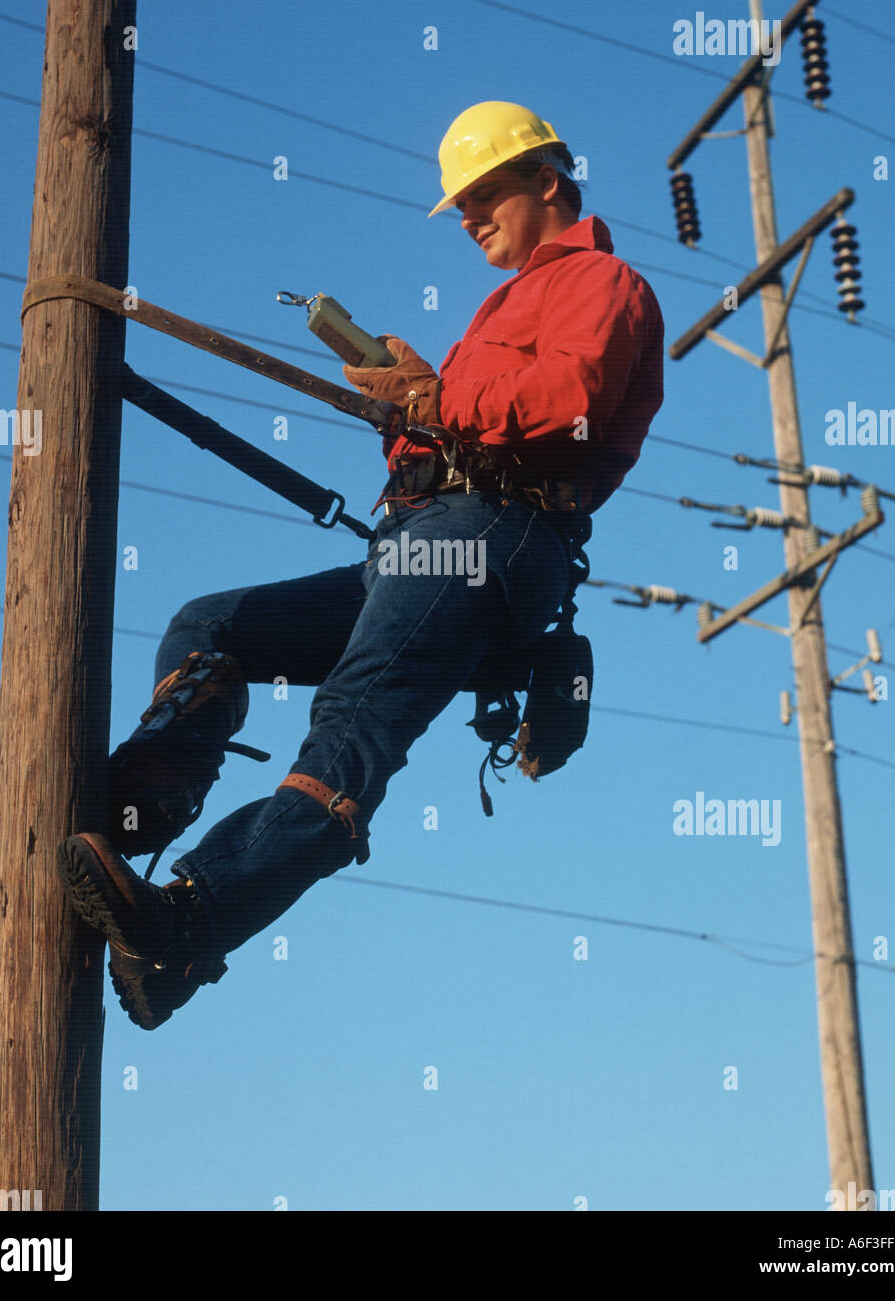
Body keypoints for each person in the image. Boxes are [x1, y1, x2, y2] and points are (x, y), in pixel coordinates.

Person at [57, 101, 665, 1029]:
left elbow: (568, 400)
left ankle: (188, 925)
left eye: (482, 195)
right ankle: (139, 814)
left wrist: (435, 392)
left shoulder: (599, 281)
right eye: (458, 206)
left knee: (350, 723)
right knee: (209, 625)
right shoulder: (506, 304)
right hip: (422, 543)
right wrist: (411, 407)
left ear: (547, 182)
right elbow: (471, 420)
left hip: (494, 537)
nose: (467, 219)